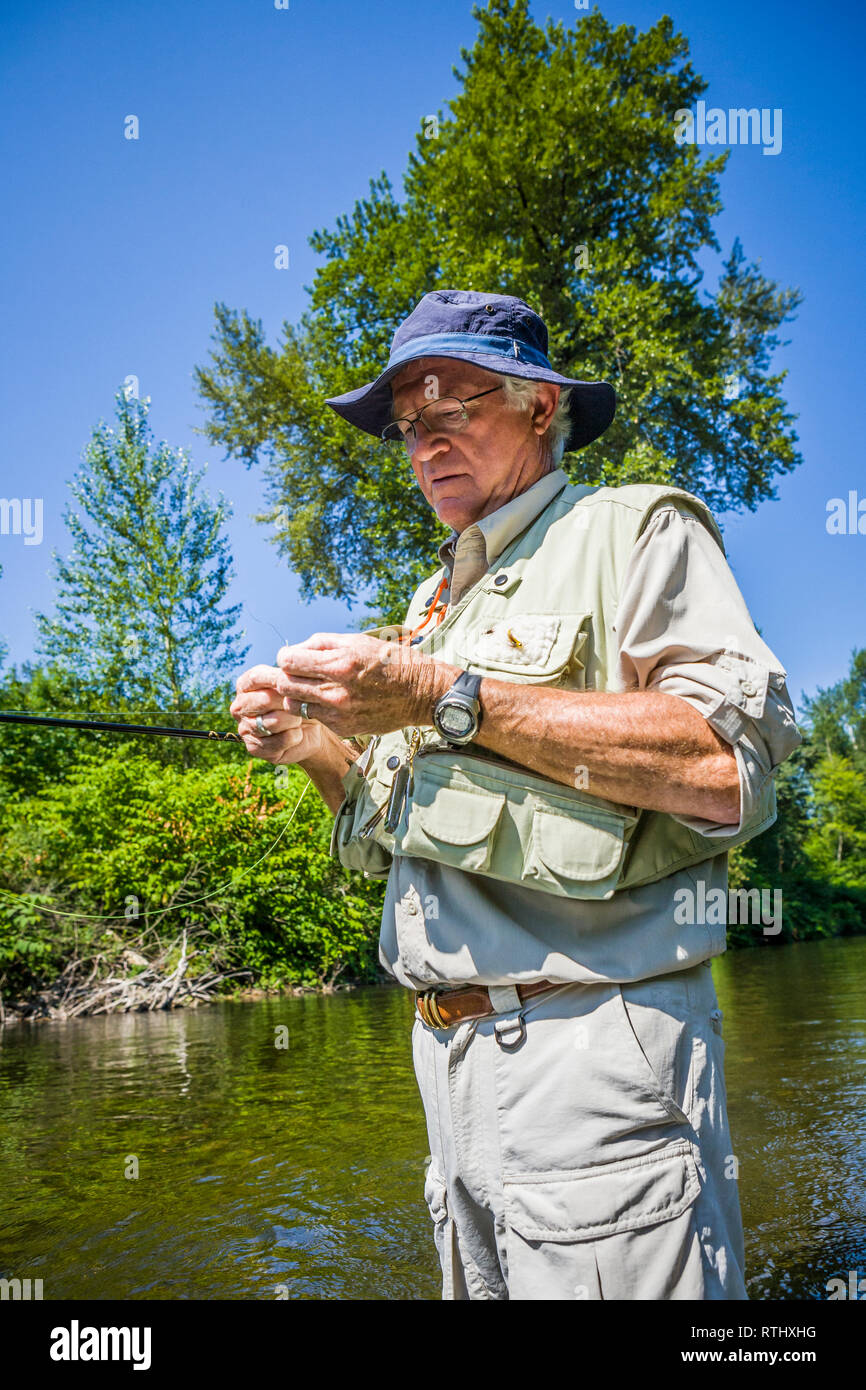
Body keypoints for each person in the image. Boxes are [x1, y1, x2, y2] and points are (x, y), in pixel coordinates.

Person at [230, 289, 801, 1300]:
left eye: (454, 409)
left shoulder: (635, 529)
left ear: (540, 405)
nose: (424, 444)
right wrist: (313, 745)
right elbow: (383, 835)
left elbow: (726, 768)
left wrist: (443, 693)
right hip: (445, 1070)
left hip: (593, 1056)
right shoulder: (433, 602)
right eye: (409, 425)